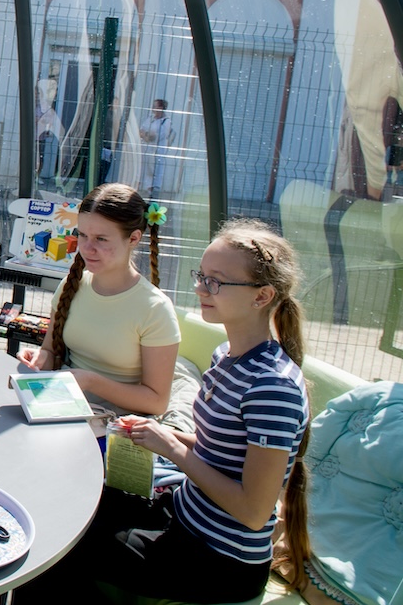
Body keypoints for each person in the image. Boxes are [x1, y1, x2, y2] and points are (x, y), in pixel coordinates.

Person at [40, 219, 311, 603]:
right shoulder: (227, 356)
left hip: (218, 559)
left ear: (262, 296)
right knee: (64, 502)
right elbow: (223, 449)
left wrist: (173, 448)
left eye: (216, 282)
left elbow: (253, 511)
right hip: (183, 512)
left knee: (61, 545)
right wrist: (151, 434)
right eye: (201, 275)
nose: (200, 288)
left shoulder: (273, 387)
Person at [17, 183, 179, 420]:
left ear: (134, 238)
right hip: (61, 408)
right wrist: (40, 359)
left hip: (116, 427)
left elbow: (156, 402)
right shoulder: (71, 285)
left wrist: (91, 382)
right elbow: (50, 351)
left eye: (101, 239)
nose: (87, 248)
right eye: (82, 235)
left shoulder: (155, 309)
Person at [139, 98, 174, 200]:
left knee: (156, 173)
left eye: (155, 106)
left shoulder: (166, 122)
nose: (153, 108)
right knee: (147, 172)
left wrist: (147, 135)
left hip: (158, 152)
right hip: (148, 151)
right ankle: (146, 192)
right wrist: (146, 135)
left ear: (161, 108)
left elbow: (157, 136)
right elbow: (141, 131)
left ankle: (153, 195)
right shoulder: (150, 118)